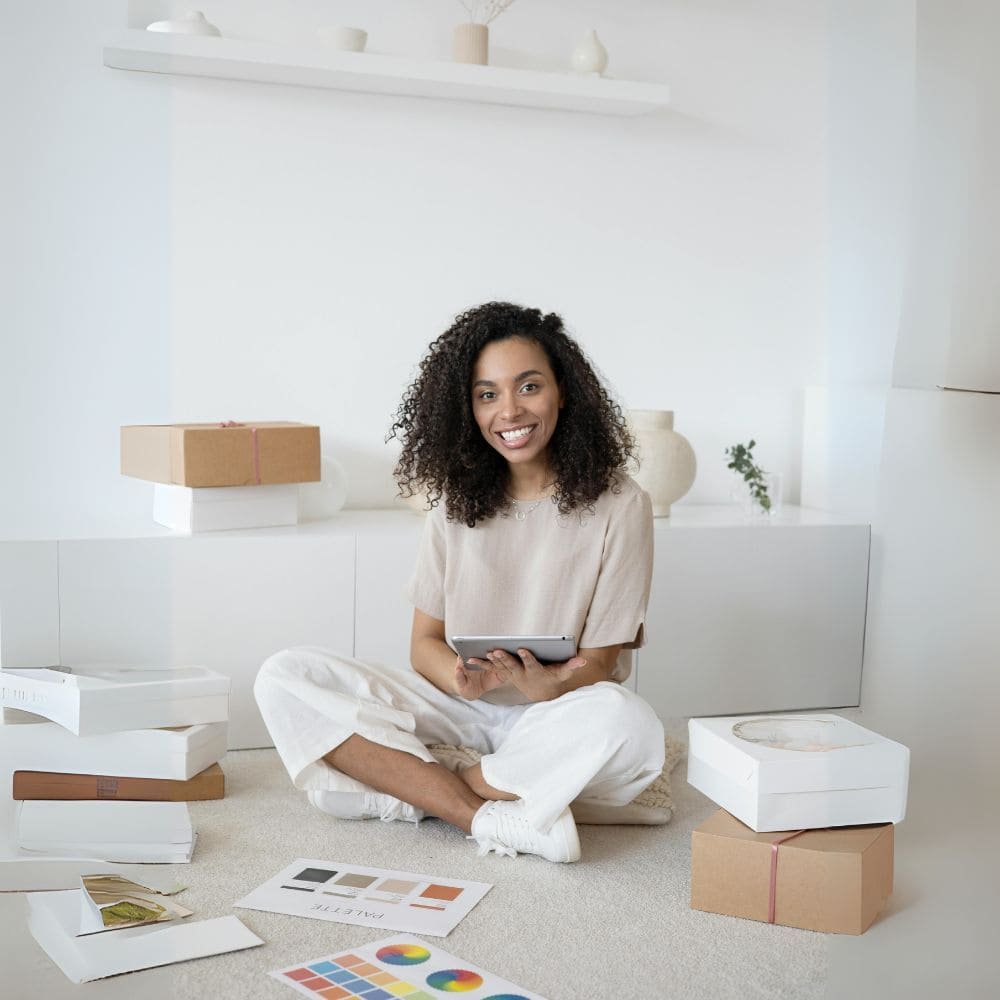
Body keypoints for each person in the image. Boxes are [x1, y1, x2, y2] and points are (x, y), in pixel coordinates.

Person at [254, 302, 665, 863]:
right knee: (284, 675)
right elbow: (424, 643)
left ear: (563, 392)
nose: (509, 410)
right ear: (467, 408)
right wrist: (461, 678)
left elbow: (599, 662)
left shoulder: (621, 504)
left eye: (529, 387)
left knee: (630, 724)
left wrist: (548, 687)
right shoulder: (454, 502)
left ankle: (428, 784)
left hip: (557, 712)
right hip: (459, 706)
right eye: (487, 394)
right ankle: (488, 813)